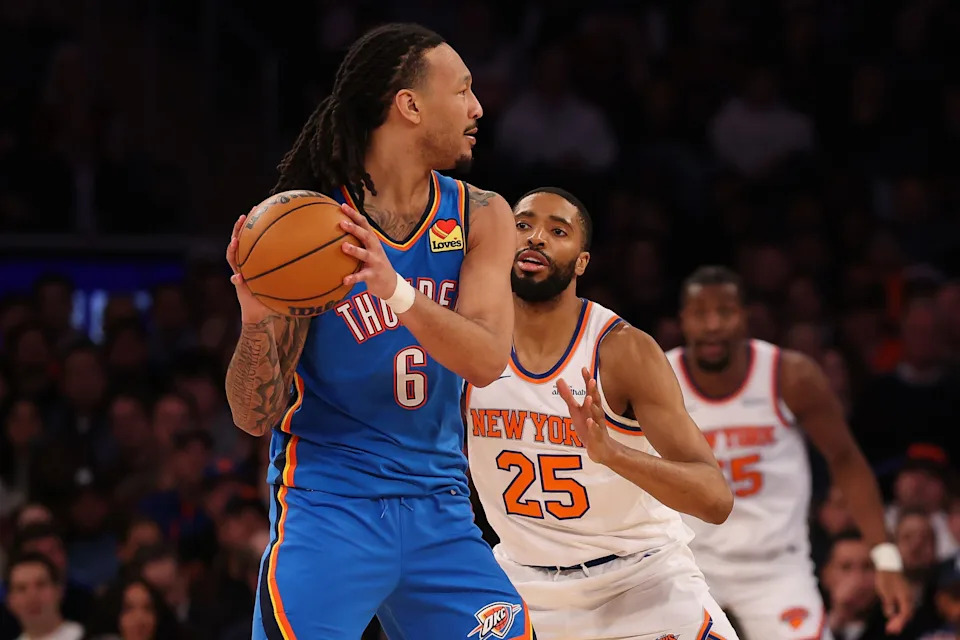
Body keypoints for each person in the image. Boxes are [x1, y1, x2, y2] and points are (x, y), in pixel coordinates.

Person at [223, 23, 531, 640]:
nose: (478, 108)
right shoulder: (305, 227)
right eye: (464, 91)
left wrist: (393, 289)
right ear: (410, 105)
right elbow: (253, 416)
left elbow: (487, 358)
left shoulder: (481, 215)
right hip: (329, 510)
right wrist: (256, 323)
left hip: (441, 511)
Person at [465, 187, 738, 639]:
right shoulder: (472, 344)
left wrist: (613, 454)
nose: (535, 238)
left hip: (641, 580)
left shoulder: (622, 350)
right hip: (524, 586)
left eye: (558, 231)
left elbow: (715, 500)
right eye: (523, 225)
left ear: (582, 262)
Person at [667, 266, 914, 639]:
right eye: (700, 314)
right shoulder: (658, 377)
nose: (713, 324)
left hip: (777, 568)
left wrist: (885, 556)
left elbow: (846, 459)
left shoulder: (791, 375)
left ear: (745, 317)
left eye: (725, 312)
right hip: (688, 564)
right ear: (683, 320)